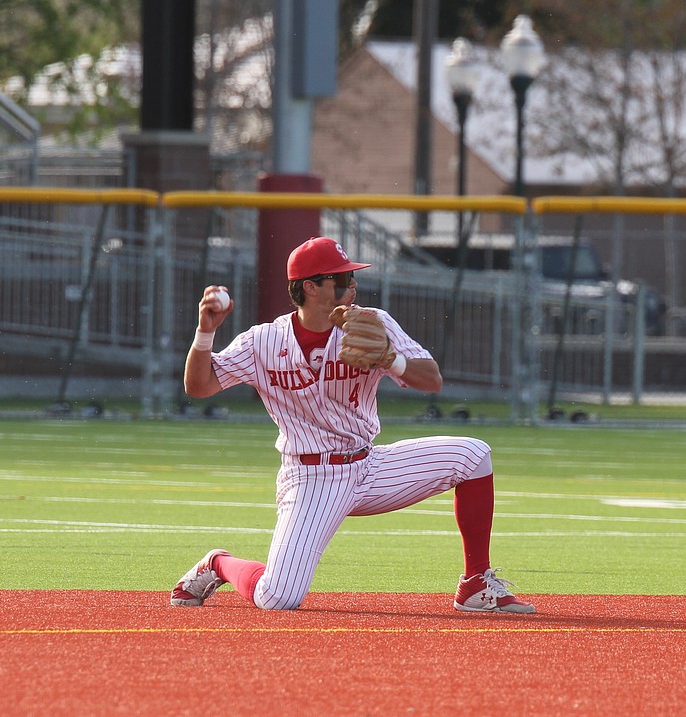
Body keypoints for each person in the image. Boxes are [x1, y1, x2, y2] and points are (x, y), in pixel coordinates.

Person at [170, 236, 534, 613]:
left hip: (370, 466)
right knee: (277, 598)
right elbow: (199, 386)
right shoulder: (263, 341)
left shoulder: (371, 323)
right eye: (341, 280)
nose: (352, 287)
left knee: (473, 455)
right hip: (311, 479)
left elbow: (432, 379)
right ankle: (217, 563)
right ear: (310, 288)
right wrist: (205, 333)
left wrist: (391, 359)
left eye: (352, 279)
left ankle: (475, 583)